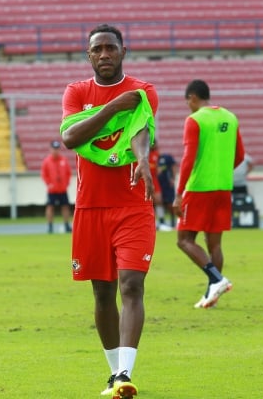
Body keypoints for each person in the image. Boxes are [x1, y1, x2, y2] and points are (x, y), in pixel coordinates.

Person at [60, 24, 157, 399]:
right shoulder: (76, 91)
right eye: (97, 49)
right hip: (90, 207)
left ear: (123, 52)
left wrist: (144, 160)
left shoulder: (144, 90)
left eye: (110, 48)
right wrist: (114, 106)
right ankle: (114, 373)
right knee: (102, 295)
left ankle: (126, 374)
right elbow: (71, 137)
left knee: (131, 285)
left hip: (133, 204)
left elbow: (139, 129)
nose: (104, 54)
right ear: (88, 55)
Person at [173, 79, 245, 309]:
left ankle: (217, 280)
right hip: (223, 188)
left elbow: (188, 159)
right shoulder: (230, 117)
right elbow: (240, 155)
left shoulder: (195, 120)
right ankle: (210, 296)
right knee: (214, 244)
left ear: (192, 98)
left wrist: (178, 193)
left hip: (199, 189)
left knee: (184, 240)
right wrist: (221, 171)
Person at [40, 139, 72, 234]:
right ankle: (50, 226)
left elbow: (68, 173)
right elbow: (44, 174)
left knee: (65, 206)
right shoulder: (47, 161)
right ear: (50, 149)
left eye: (57, 148)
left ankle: (67, 225)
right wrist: (49, 184)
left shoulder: (64, 160)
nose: (56, 150)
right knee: (50, 207)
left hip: (62, 189)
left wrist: (66, 183)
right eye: (54, 148)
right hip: (52, 190)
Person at [148, 140, 171, 231]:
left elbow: (160, 167)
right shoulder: (142, 153)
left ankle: (161, 222)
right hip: (144, 180)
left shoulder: (156, 154)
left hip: (154, 180)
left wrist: (159, 169)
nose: (154, 145)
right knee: (148, 202)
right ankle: (152, 223)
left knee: (158, 200)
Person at [156, 149, 177, 228]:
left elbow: (174, 166)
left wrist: (173, 178)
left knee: (169, 203)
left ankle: (173, 221)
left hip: (168, 184)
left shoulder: (166, 157)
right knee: (160, 202)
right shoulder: (153, 157)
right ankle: (162, 221)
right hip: (159, 184)